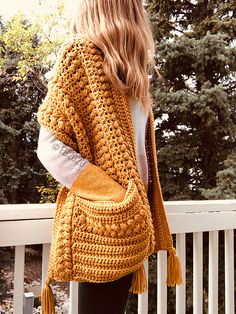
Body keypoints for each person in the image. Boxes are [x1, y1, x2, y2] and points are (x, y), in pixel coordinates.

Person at [36, 1, 183, 314]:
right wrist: (117, 196)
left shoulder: (130, 71)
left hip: (130, 222)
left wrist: (134, 204)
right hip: (106, 220)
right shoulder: (79, 55)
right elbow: (50, 147)